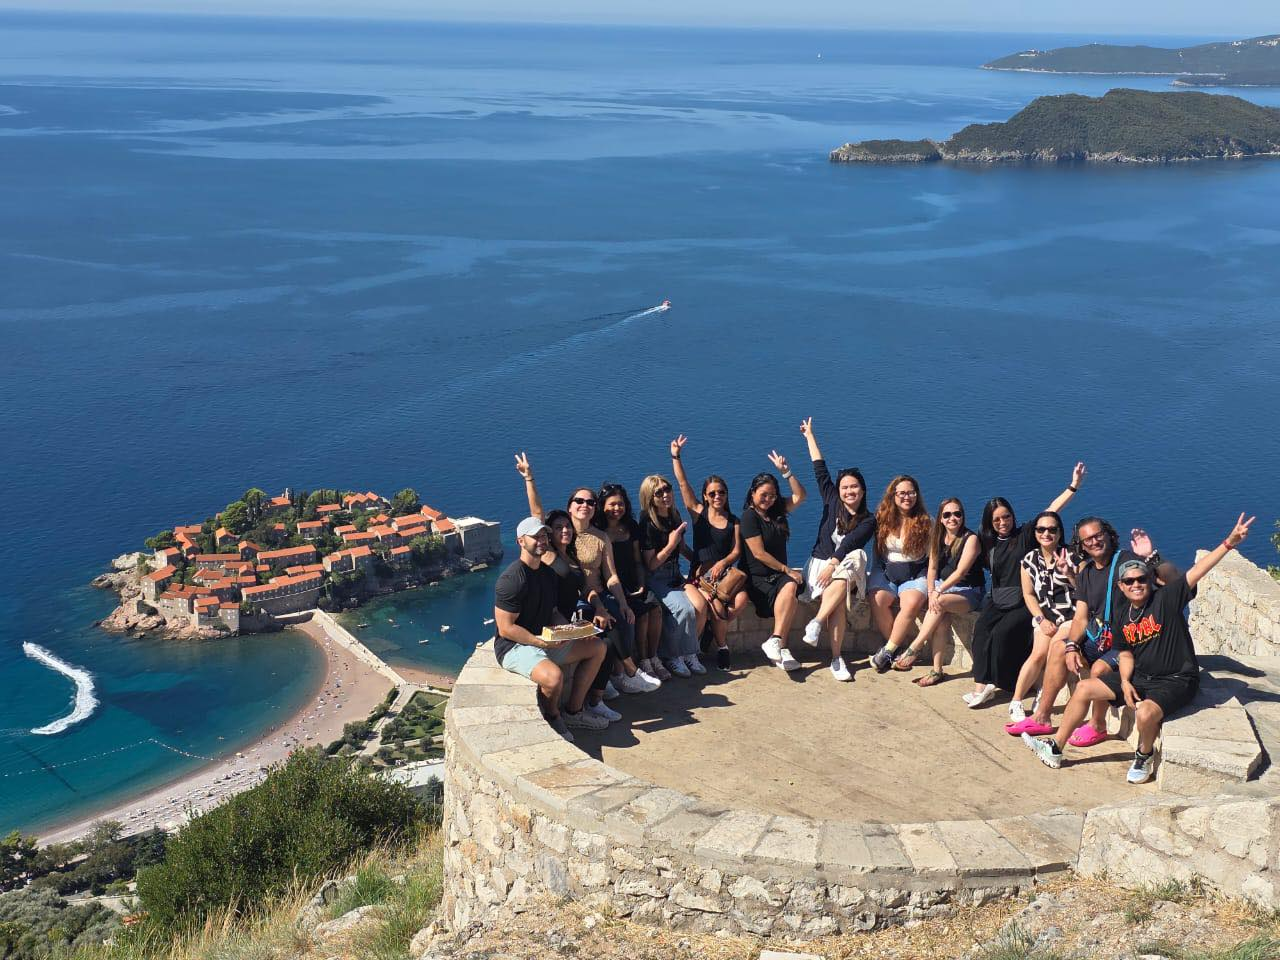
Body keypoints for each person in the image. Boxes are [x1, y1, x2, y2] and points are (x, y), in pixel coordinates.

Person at [1024, 514, 1254, 784]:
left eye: (1141, 580)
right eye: (1129, 582)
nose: (1136, 585)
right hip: (1141, 675)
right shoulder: (1123, 615)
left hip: (1176, 679)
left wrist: (1229, 542)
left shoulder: (1165, 600)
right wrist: (1124, 681)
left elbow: (1196, 571)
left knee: (1144, 712)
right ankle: (1055, 748)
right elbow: (1124, 654)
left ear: (1149, 580)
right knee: (1086, 687)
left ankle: (1143, 754)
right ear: (1121, 587)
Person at [516, 453, 654, 717]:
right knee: (606, 637)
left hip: (574, 611)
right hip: (554, 616)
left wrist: (607, 605)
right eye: (558, 528)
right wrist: (529, 478)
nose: (565, 531)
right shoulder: (549, 552)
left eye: (590, 502)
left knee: (606, 637)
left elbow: (589, 585)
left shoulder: (576, 554)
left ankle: (600, 696)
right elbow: (536, 514)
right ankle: (627, 674)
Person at [1011, 518, 1167, 743]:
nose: (1095, 542)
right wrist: (1073, 645)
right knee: (1058, 648)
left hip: (1129, 643)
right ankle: (1042, 716)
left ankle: (1098, 725)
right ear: (1081, 545)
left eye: (1098, 535)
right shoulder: (1086, 573)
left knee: (1099, 670)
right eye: (1088, 539)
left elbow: (1159, 580)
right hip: (1101, 638)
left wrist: (1150, 558)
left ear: (1108, 534)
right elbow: (1081, 618)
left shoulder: (1125, 560)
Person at [963, 462, 1086, 708]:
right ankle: (982, 686)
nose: (1002, 522)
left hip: (1022, 600)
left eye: (1006, 516)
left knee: (1000, 636)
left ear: (1013, 516)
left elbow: (1051, 512)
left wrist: (1072, 486)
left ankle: (1002, 683)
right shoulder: (988, 541)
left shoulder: (1026, 535)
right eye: (996, 519)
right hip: (997, 598)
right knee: (980, 635)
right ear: (990, 521)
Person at [493, 517, 609, 739]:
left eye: (544, 536)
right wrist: (540, 642)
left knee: (597, 647)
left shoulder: (547, 574)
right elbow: (506, 628)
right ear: (520, 541)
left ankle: (574, 711)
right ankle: (553, 717)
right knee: (553, 678)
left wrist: (570, 630)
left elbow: (552, 610)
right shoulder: (511, 579)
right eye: (535, 537)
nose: (542, 540)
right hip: (514, 647)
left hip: (544, 637)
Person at [796, 417, 874, 682]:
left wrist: (833, 564)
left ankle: (817, 623)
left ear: (862, 490)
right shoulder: (830, 500)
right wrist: (809, 436)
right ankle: (836, 659)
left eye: (854, 486)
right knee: (838, 604)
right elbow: (820, 468)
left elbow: (851, 542)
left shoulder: (868, 520)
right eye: (845, 487)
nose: (849, 491)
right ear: (838, 491)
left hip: (844, 567)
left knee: (858, 555)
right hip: (821, 567)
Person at [670, 436, 746, 671]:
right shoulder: (698, 514)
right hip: (700, 579)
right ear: (705, 495)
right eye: (712, 493)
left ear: (726, 495)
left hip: (725, 577)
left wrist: (723, 563)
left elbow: (736, 551)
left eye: (721, 493)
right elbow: (683, 484)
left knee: (740, 602)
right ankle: (722, 648)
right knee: (717, 609)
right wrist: (676, 456)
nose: (717, 497)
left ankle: (710, 635)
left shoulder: (734, 521)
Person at [890, 497, 984, 687]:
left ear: (962, 516)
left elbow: (961, 572)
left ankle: (915, 647)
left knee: (939, 604)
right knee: (941, 622)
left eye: (957, 514)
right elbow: (932, 568)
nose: (952, 518)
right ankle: (937, 671)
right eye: (947, 515)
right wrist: (932, 591)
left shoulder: (970, 539)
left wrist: (938, 592)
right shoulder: (937, 537)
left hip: (968, 591)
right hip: (943, 589)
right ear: (941, 518)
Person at [1002, 510, 1075, 727]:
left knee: (1054, 648)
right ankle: (1016, 700)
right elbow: (1028, 594)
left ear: (1060, 532)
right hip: (1045, 616)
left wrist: (1070, 573)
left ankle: (1044, 695)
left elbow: (1085, 590)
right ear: (1035, 533)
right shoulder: (1029, 560)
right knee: (1037, 654)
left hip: (1070, 616)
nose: (1046, 533)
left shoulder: (1072, 556)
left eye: (1052, 529)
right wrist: (1041, 619)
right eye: (1041, 529)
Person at [593, 482, 663, 694]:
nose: (617, 509)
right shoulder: (597, 532)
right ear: (602, 505)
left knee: (655, 609)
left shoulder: (630, 527)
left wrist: (641, 583)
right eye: (612, 504)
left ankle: (650, 659)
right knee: (633, 617)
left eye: (621, 504)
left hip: (633, 583)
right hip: (611, 588)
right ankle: (633, 667)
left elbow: (637, 561)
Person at [741, 452, 808, 671]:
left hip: (777, 575)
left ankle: (776, 641)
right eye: (763, 495)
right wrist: (786, 569)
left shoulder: (776, 513)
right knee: (791, 590)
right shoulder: (749, 517)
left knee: (791, 587)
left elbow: (800, 496)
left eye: (772, 495)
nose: (768, 499)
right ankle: (782, 647)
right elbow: (758, 553)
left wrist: (786, 472)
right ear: (752, 494)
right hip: (758, 577)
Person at [638, 473, 709, 678]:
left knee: (701, 606)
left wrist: (700, 562)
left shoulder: (674, 514)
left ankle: (688, 652)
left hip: (675, 573)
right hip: (657, 577)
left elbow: (682, 547)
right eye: (658, 492)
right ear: (650, 497)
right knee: (684, 609)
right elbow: (650, 565)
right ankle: (672, 656)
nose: (665, 495)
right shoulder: (646, 523)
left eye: (667, 489)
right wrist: (670, 543)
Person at [867, 475, 932, 673]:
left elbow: (933, 558)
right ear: (893, 496)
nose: (907, 497)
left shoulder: (927, 522)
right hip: (886, 571)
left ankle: (887, 650)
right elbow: (876, 550)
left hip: (915, 574)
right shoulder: (881, 519)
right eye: (902, 493)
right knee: (877, 599)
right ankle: (894, 652)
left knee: (910, 604)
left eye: (911, 493)